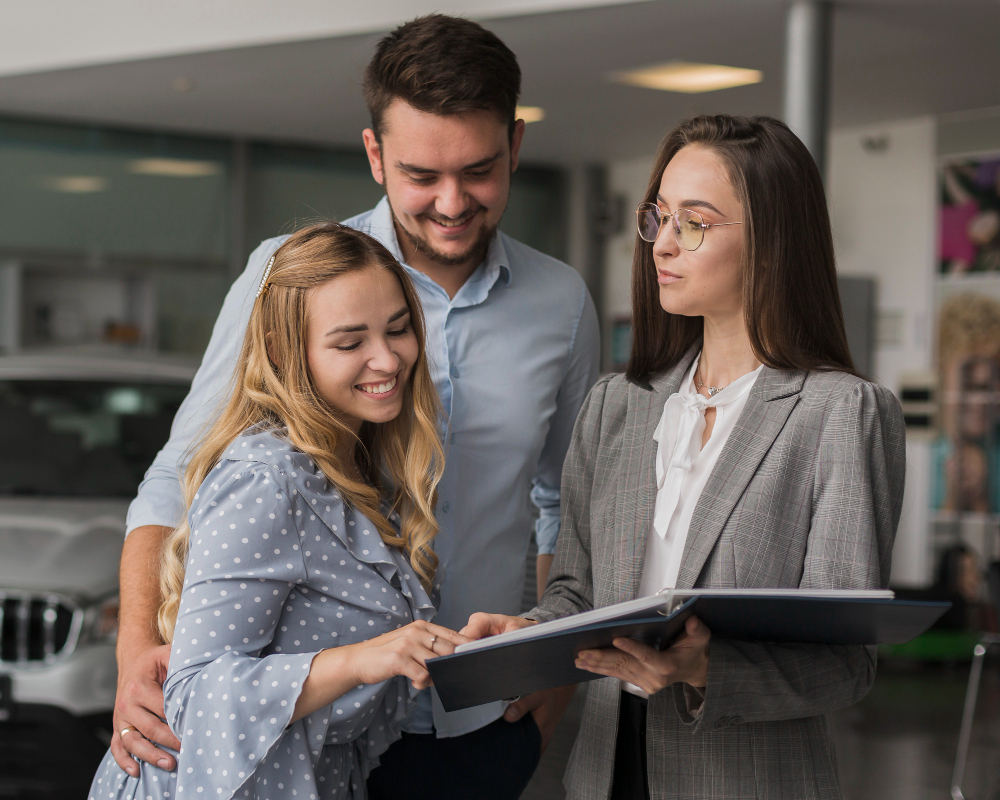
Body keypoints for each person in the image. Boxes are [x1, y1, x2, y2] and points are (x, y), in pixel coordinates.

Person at [111, 14, 599, 800]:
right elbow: (180, 474)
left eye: (478, 170)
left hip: (478, 723)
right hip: (299, 732)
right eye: (420, 175)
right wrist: (137, 654)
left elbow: (564, 505)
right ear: (375, 154)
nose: (451, 202)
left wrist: (550, 669)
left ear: (515, 145)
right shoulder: (288, 276)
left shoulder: (562, 304)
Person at [463, 115, 907, 800]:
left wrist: (705, 670)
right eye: (659, 218)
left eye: (693, 224)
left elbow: (846, 666)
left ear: (771, 240)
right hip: (604, 775)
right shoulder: (618, 405)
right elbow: (577, 595)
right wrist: (526, 633)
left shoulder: (841, 414)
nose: (661, 245)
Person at [91, 223, 469, 800]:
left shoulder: (354, 471)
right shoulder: (265, 480)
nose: (388, 359)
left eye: (398, 329)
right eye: (349, 343)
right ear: (282, 352)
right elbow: (191, 699)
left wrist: (501, 648)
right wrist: (358, 662)